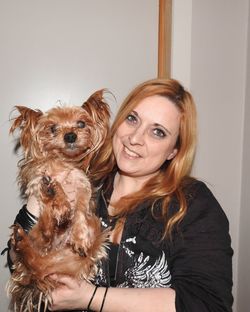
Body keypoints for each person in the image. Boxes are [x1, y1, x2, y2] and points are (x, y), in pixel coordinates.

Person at [6, 78, 233, 312]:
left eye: (158, 132)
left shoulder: (193, 204)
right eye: (132, 119)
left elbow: (207, 304)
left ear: (174, 150)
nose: (135, 138)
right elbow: (16, 262)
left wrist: (90, 297)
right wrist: (35, 206)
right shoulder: (85, 179)